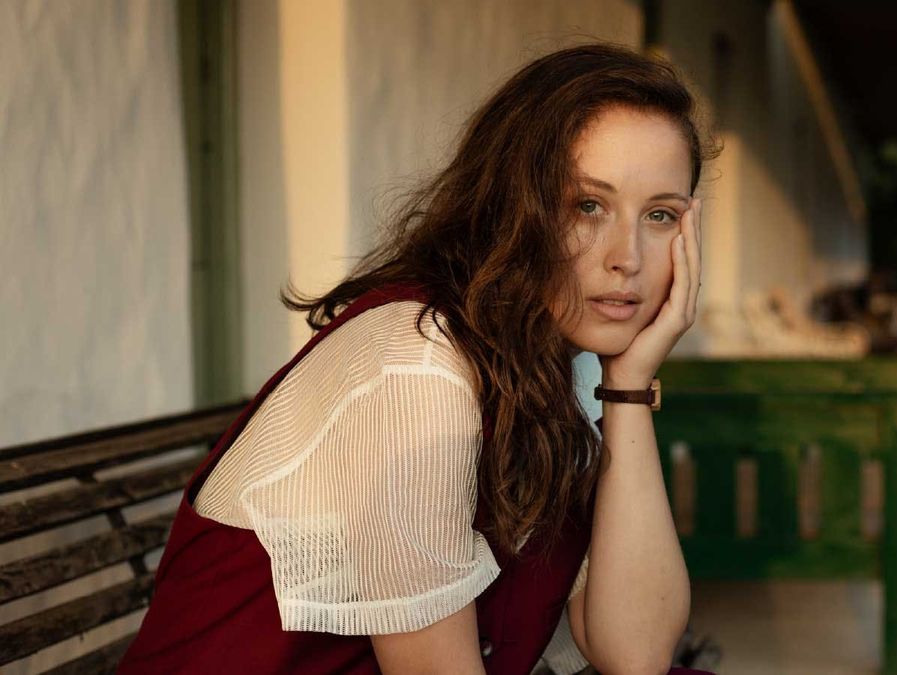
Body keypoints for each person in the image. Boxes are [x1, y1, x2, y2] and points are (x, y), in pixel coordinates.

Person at [119, 42, 719, 675]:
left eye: (660, 215)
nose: (627, 258)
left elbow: (636, 655)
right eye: (587, 206)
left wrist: (629, 386)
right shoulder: (416, 366)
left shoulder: (558, 360)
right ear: (512, 205)